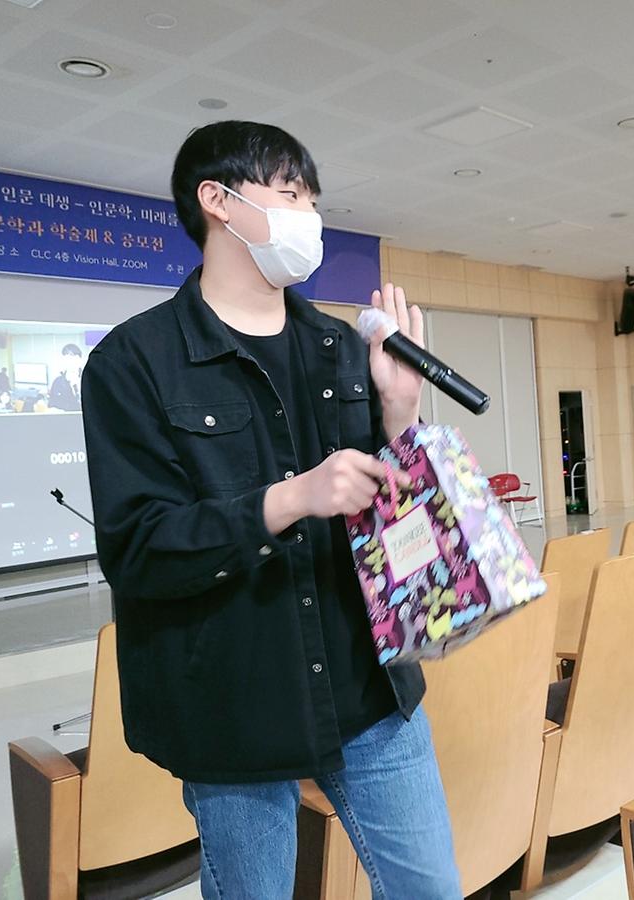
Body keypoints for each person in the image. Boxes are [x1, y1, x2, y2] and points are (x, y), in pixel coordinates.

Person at [81, 121, 460, 899]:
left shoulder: (341, 349)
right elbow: (139, 548)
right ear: (217, 201)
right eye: (289, 194)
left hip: (370, 690)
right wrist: (291, 499)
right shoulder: (134, 361)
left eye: (313, 201)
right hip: (234, 707)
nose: (308, 218)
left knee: (430, 889)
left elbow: (399, 529)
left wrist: (401, 417)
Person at [48, 344, 83, 411]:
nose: (70, 359)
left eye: (73, 356)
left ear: (79, 360)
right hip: (66, 416)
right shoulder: (58, 382)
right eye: (66, 356)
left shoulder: (87, 380)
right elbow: (52, 404)